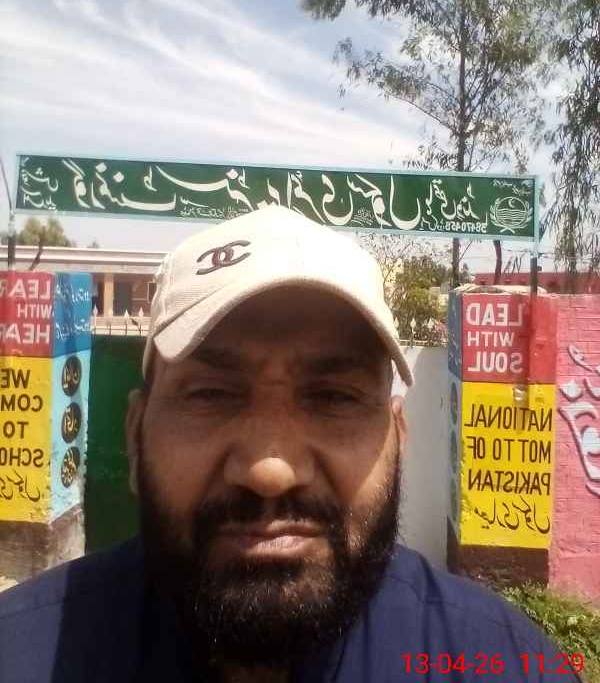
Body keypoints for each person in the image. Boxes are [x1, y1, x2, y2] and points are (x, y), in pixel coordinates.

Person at [0, 206, 582, 683]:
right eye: (210, 394)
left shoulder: (502, 663)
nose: (269, 471)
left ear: (399, 440)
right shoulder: (22, 652)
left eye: (332, 397)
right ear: (135, 434)